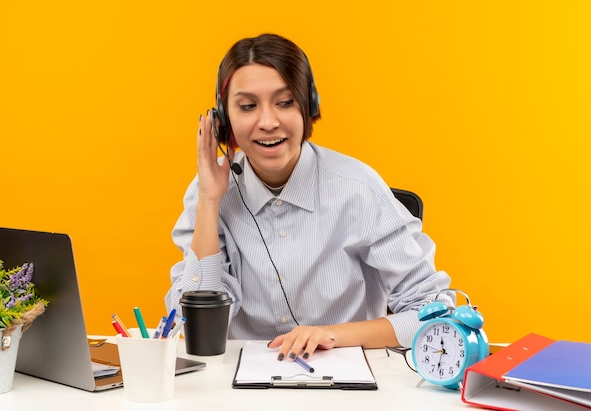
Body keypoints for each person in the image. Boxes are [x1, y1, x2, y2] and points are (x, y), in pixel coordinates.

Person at [165, 33, 452, 362]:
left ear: (308, 106)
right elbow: (192, 329)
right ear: (223, 120)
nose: (268, 122)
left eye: (285, 102)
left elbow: (435, 314)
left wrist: (332, 335)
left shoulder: (358, 188)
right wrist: (209, 201)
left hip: (348, 383)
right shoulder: (209, 192)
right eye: (247, 106)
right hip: (240, 389)